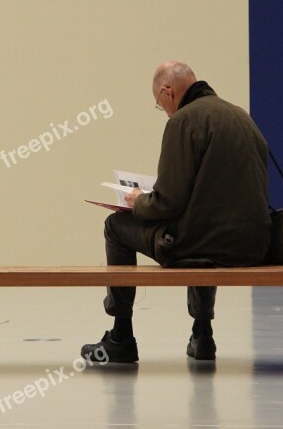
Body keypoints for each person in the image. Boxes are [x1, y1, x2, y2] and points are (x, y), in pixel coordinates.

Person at [80, 61, 271, 363]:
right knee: (203, 227)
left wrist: (136, 200)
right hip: (253, 247)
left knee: (115, 226)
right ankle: (202, 334)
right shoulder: (241, 117)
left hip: (203, 246)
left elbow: (167, 203)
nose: (165, 112)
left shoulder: (183, 121)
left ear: (168, 92)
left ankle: (121, 337)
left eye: (160, 104)